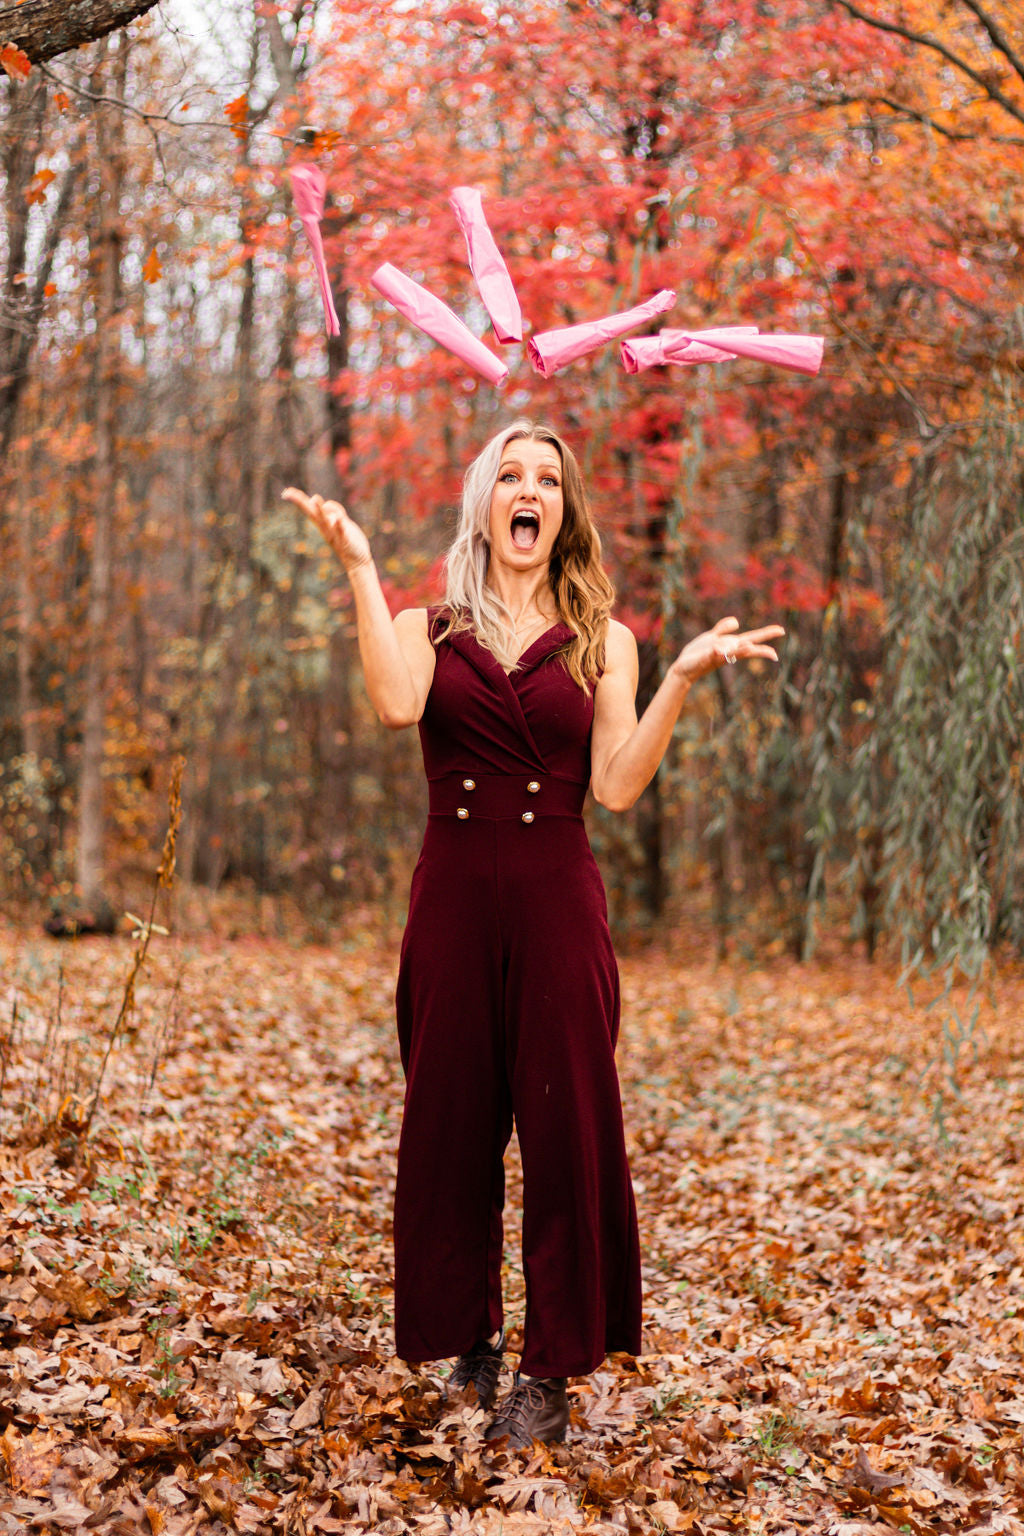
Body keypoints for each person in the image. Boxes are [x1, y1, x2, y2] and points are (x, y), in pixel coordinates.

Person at [283, 420, 783, 1448]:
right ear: (484, 503)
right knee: (451, 1125)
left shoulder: (605, 640)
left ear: (563, 510)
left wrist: (681, 678)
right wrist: (362, 568)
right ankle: (467, 1340)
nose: (529, 491)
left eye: (547, 479)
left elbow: (616, 785)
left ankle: (550, 1371)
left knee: (566, 1134)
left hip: (559, 900)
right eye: (510, 475)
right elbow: (393, 706)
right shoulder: (427, 625)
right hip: (453, 899)